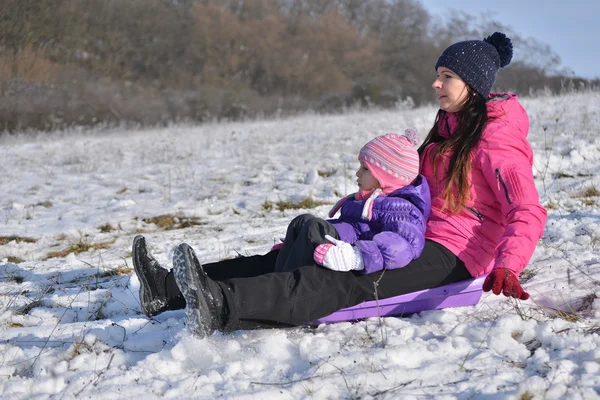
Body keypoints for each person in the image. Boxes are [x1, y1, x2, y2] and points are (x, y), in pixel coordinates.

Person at [133, 31, 547, 338]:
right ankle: (168, 288)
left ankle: (222, 304)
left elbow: (526, 209)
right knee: (300, 250)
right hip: (412, 230)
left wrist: (509, 263)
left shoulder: (496, 140)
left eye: (446, 77)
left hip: (453, 252)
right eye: (437, 75)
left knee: (347, 278)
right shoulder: (449, 128)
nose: (435, 84)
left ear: (472, 85)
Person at [134, 131, 432, 336]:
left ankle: (214, 300)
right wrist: (300, 242)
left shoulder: (401, 209)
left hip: (342, 263)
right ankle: (166, 288)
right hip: (330, 251)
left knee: (306, 229)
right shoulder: (371, 200)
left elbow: (402, 245)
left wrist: (355, 256)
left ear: (385, 177)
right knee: (288, 239)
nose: (357, 174)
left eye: (364, 169)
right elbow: (350, 228)